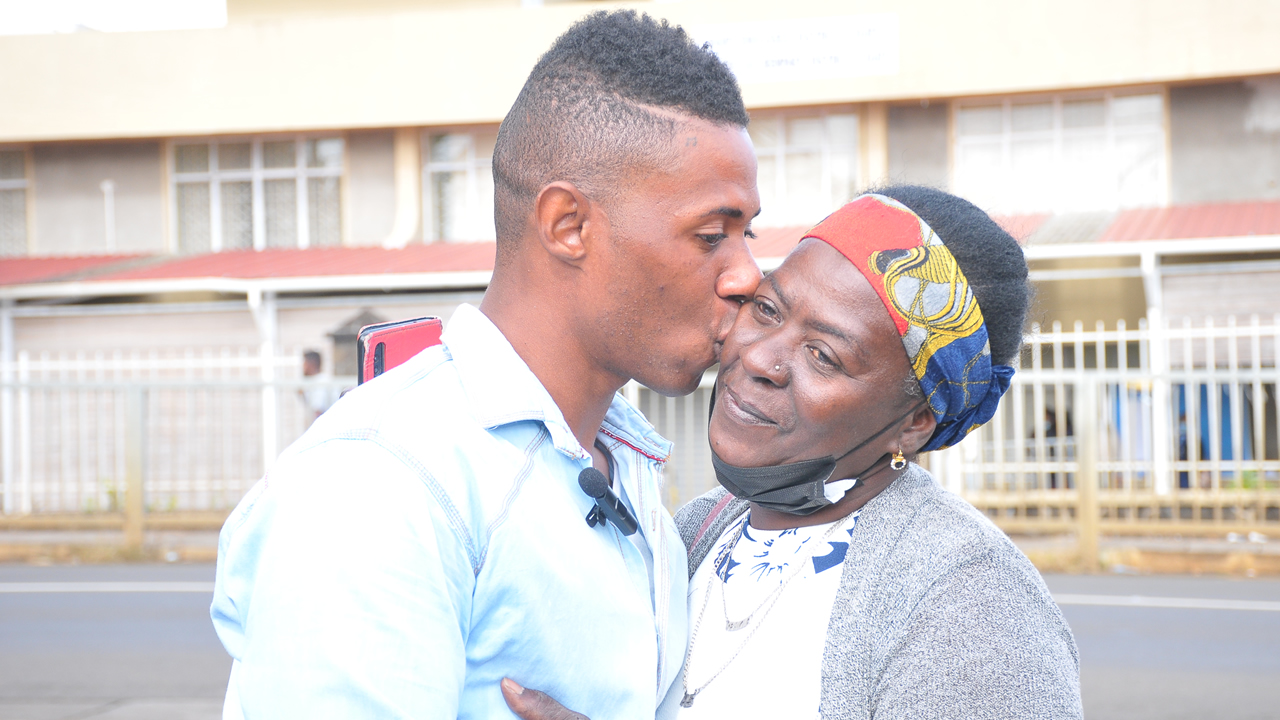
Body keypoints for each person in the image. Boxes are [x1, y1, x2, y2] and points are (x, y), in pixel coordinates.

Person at [211, 11, 760, 719]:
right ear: (569, 226)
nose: (747, 274)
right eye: (712, 235)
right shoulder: (381, 485)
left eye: (746, 233)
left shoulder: (621, 459)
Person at [505, 188, 1082, 720]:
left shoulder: (971, 605)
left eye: (824, 356)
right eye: (767, 310)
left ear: (914, 423)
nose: (760, 360)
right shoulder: (693, 533)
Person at [298, 349, 339, 423]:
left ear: (311, 363)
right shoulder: (323, 379)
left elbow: (318, 410)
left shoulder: (319, 382)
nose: (303, 366)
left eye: (304, 363)